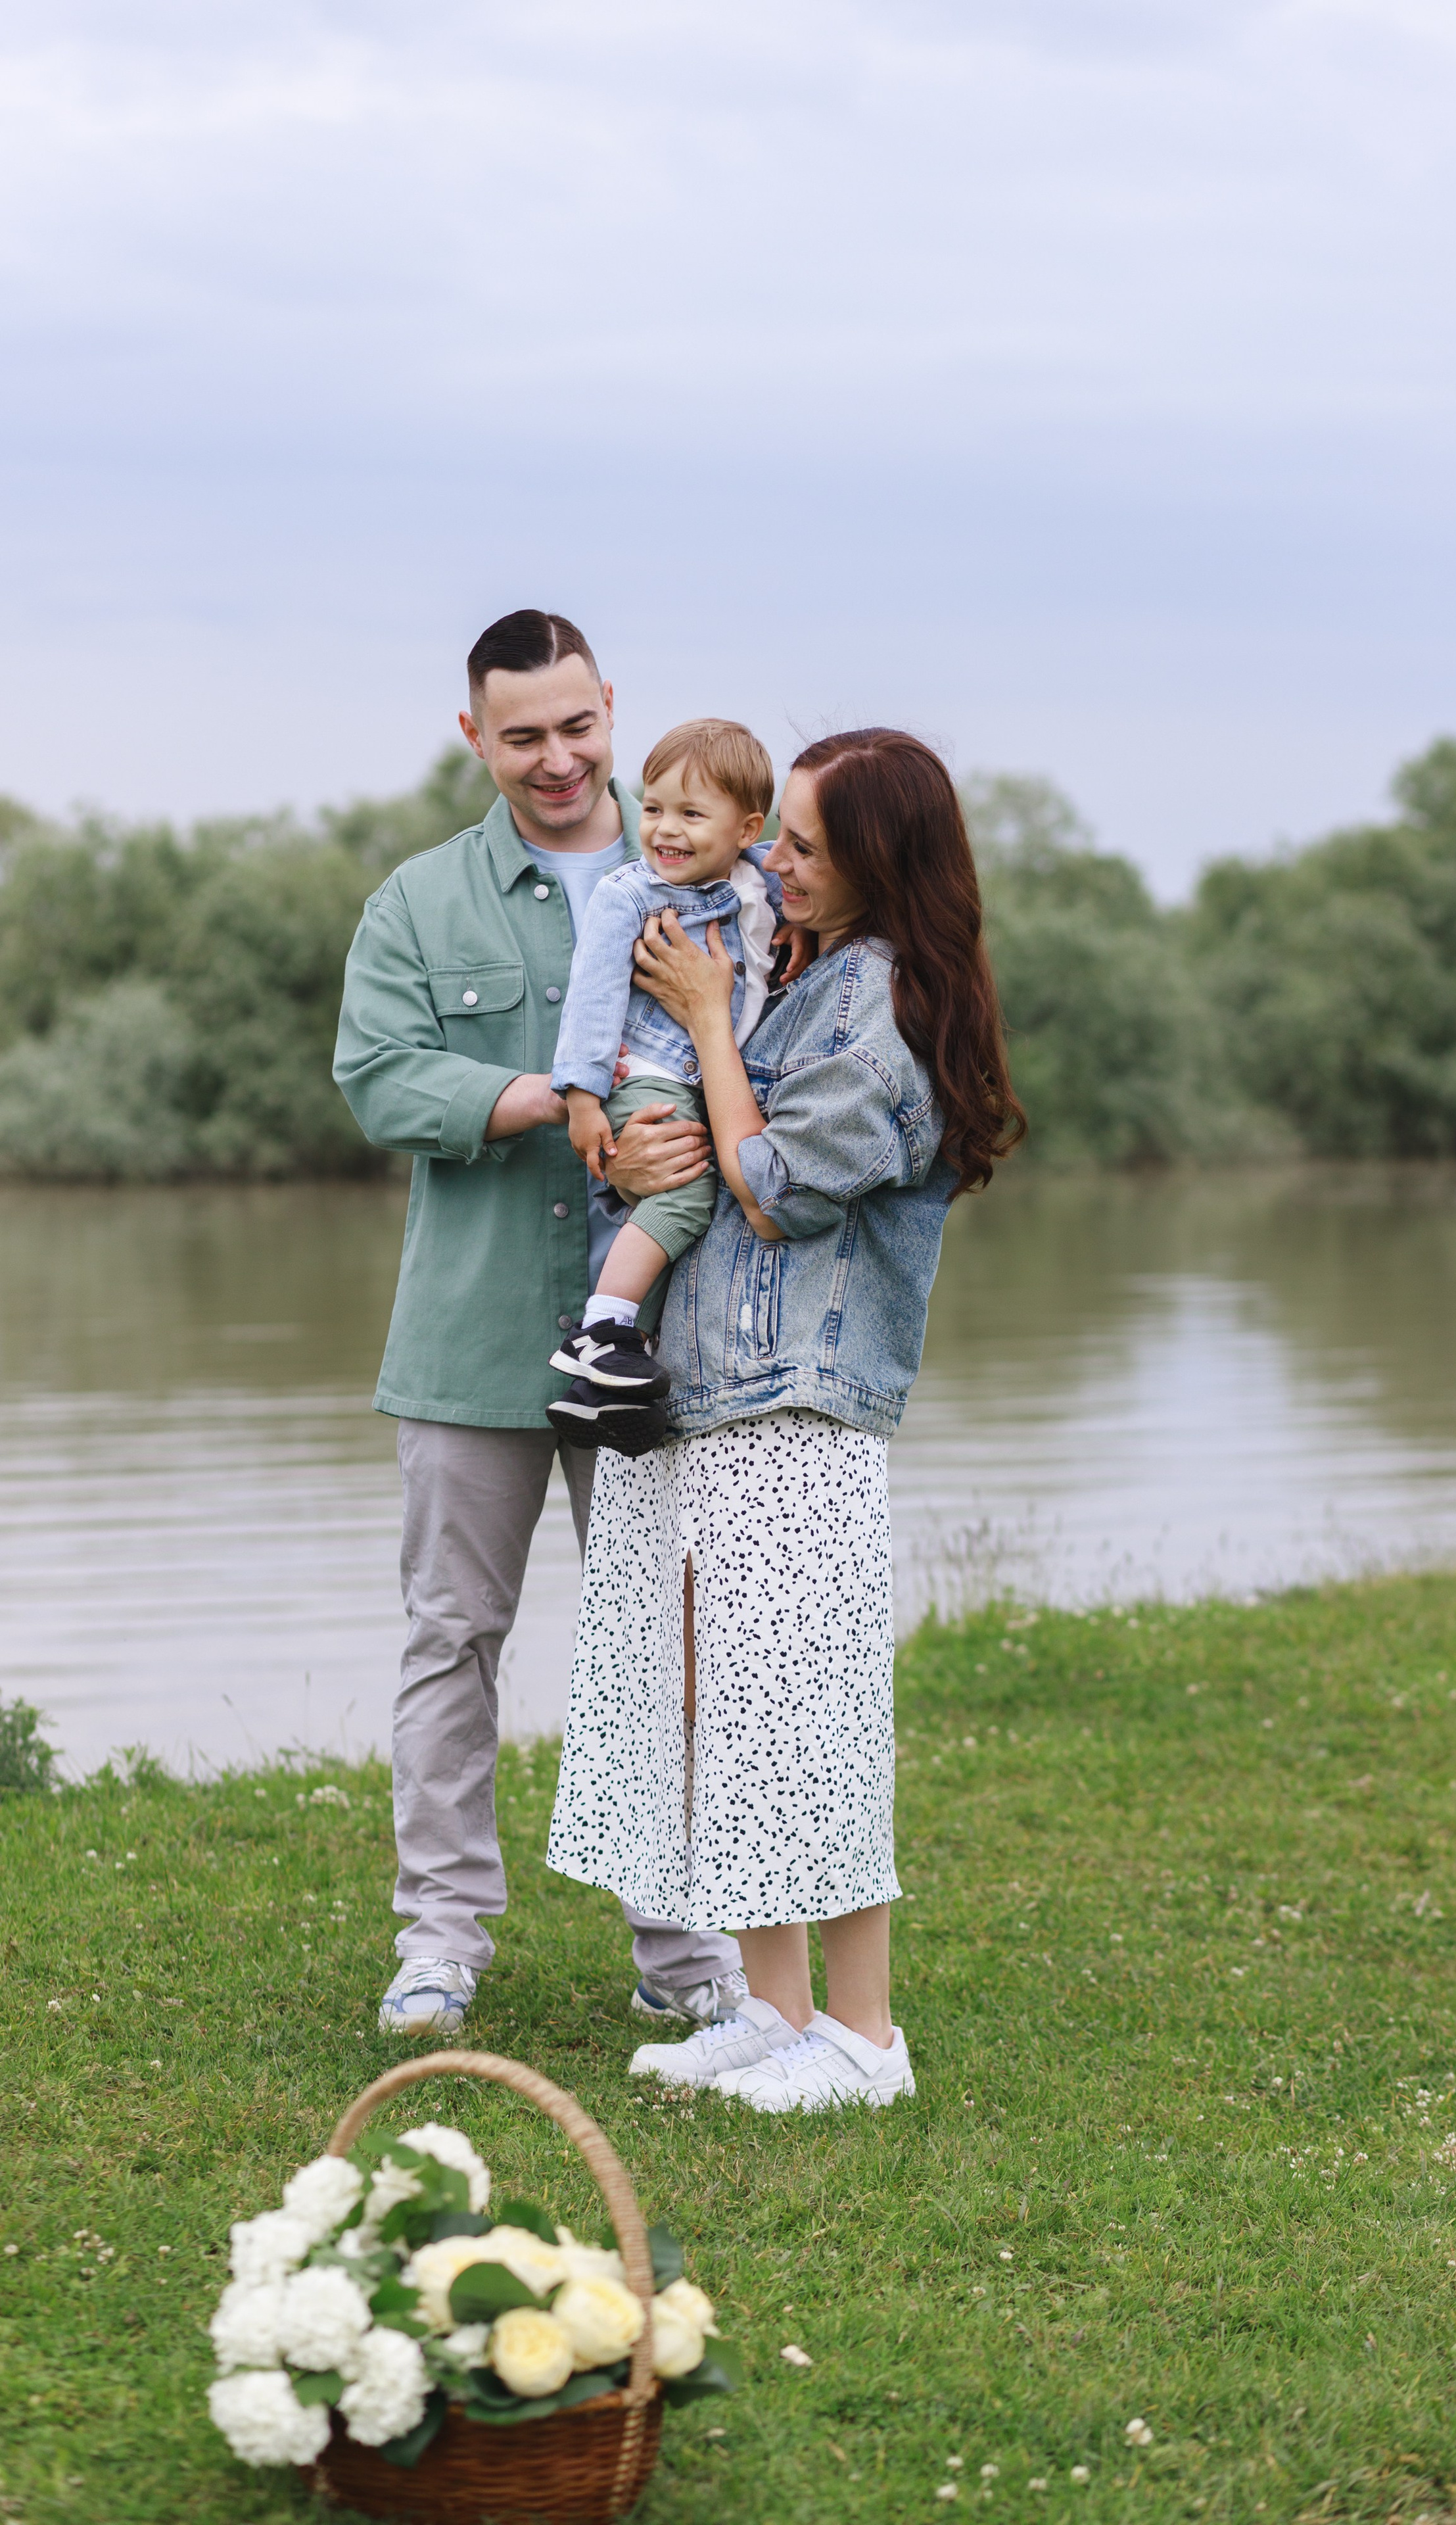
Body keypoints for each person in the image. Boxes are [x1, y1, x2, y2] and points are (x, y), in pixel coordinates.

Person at [546, 728, 1025, 2111]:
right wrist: (632, 1130)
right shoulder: (790, 957)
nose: (778, 862)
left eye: (806, 843)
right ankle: (773, 2011)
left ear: (878, 858)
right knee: (718, 1708)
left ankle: (864, 2042)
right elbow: (694, 1145)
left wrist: (703, 1021)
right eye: (785, 838)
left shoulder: (880, 1004)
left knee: (802, 1714)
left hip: (797, 1409)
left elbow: (771, 1186)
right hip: (709, 1393)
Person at [333, 608, 747, 2039]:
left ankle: (685, 1953)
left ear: (609, 709)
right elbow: (380, 1079)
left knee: (663, 1642)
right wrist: (556, 1106)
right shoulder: (415, 902)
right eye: (524, 736)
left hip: (669, 1337)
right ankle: (439, 1943)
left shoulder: (712, 866)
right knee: (453, 1639)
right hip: (468, 1343)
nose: (559, 759)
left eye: (579, 727)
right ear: (476, 739)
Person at [546, 719, 782, 1443]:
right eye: (652, 809)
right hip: (650, 1074)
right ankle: (604, 1330)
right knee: (686, 1195)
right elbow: (591, 999)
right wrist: (581, 1099)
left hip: (709, 1079)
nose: (664, 831)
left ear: (746, 829)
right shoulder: (632, 895)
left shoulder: (760, 878)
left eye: (690, 813)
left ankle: (604, 1387)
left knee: (697, 1203)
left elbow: (815, 866)